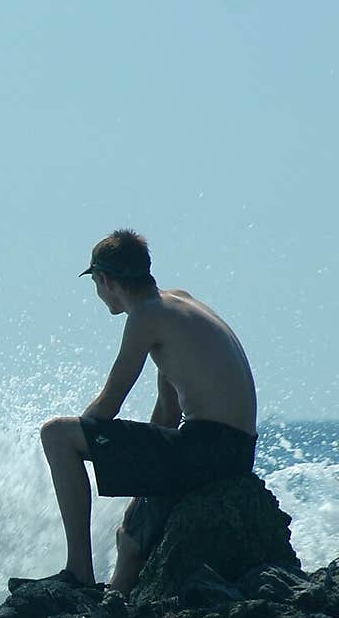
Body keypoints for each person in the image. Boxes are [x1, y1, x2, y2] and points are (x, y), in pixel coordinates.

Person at [30, 228, 258, 595]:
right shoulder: (178, 302)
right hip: (233, 451)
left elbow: (108, 405)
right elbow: (167, 413)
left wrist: (81, 441)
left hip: (207, 447)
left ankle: (78, 574)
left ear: (105, 280)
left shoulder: (145, 317)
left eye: (96, 285)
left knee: (56, 435)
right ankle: (115, 603)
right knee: (130, 535)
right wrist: (141, 483)